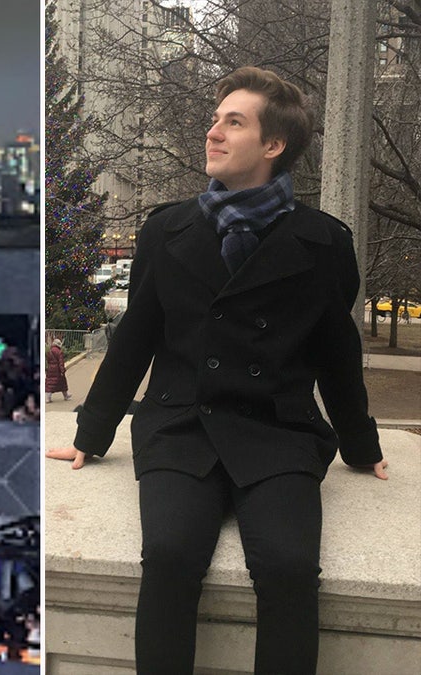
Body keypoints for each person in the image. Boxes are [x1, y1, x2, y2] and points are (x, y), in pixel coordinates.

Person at [47, 66, 388, 674]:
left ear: (274, 145)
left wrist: (361, 445)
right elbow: (135, 340)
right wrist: (90, 433)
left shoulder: (323, 242)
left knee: (287, 567)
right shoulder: (167, 230)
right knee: (171, 554)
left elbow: (339, 354)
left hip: (279, 432)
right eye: (214, 119)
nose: (213, 132)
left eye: (234, 122)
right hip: (181, 427)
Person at [44, 339, 70, 403]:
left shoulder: (49, 350)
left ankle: (48, 398)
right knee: (62, 383)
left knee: (50, 383)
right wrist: (62, 370)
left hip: (50, 369)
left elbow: (47, 360)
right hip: (57, 369)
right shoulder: (59, 351)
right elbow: (61, 362)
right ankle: (66, 396)